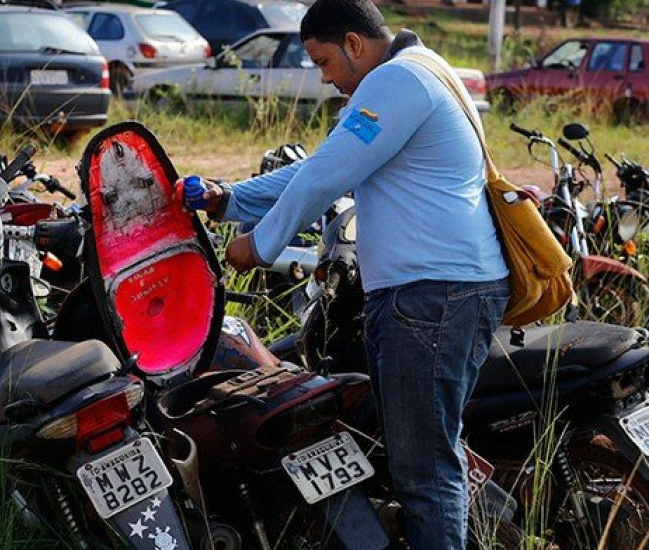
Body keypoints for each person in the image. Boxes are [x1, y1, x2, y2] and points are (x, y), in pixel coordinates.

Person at [180, 0, 510, 548]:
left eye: (323, 61)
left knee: (425, 472)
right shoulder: (418, 69)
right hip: (432, 293)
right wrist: (231, 199)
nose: (324, 77)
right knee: (419, 458)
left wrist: (259, 246)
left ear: (354, 44)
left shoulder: (398, 81)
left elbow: (326, 177)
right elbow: (324, 164)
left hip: (433, 296)